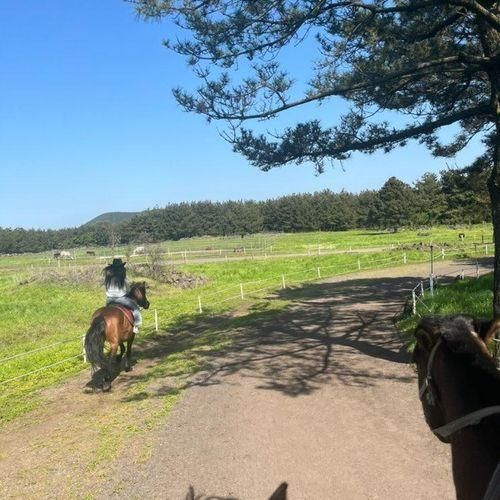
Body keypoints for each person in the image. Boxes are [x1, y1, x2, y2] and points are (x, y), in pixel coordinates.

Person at [103, 258, 142, 333]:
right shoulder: (122, 276)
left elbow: (106, 287)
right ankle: (136, 325)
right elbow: (128, 288)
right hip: (121, 298)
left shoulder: (108, 277)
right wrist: (127, 292)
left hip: (109, 299)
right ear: (121, 267)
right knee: (135, 307)